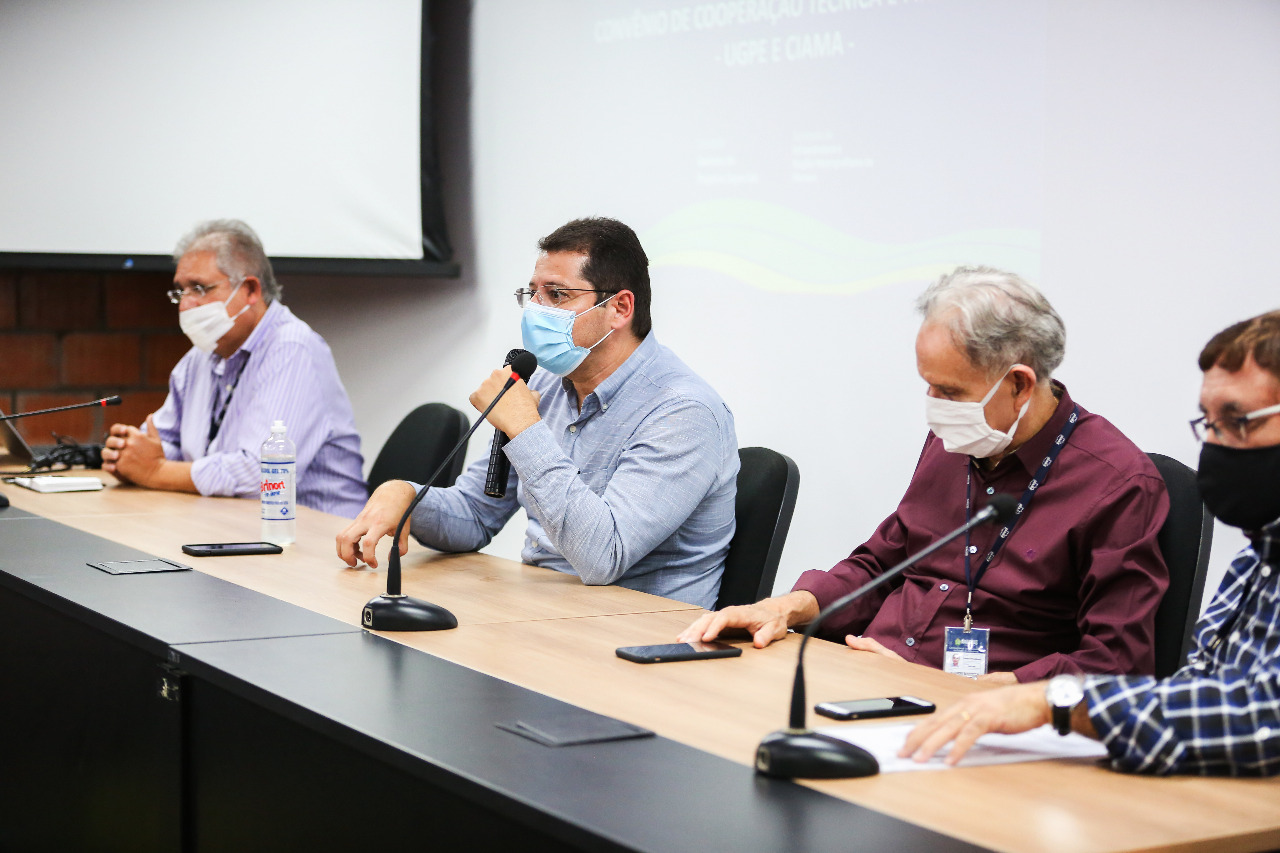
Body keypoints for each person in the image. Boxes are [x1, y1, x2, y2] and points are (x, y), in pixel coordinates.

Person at [680, 266, 1170, 682]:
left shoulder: (1118, 484)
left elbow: (1115, 664)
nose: (934, 409)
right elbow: (880, 563)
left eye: (951, 392)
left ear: (1019, 384)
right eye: (928, 387)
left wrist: (971, 689)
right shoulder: (956, 438)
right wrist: (787, 607)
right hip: (866, 673)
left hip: (982, 717)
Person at [903, 310, 1280, 776]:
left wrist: (1054, 700)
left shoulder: (1116, 479)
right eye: (1210, 423)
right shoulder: (1259, 558)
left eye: (1239, 422)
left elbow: (1264, 720)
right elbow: (1200, 689)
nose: (1217, 445)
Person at [335, 217, 738, 609]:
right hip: (542, 612)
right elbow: (476, 514)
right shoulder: (546, 384)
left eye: (557, 295)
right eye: (533, 294)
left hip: (639, 636)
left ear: (619, 308)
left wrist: (526, 428)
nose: (535, 310)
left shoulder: (684, 412)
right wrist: (408, 496)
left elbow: (604, 556)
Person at [102, 219, 367, 518]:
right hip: (233, 525)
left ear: (250, 290)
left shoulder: (293, 347)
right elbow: (165, 445)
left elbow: (263, 477)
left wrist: (155, 472)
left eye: (199, 289)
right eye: (180, 291)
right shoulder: (201, 357)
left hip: (321, 538)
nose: (185, 305)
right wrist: (130, 455)